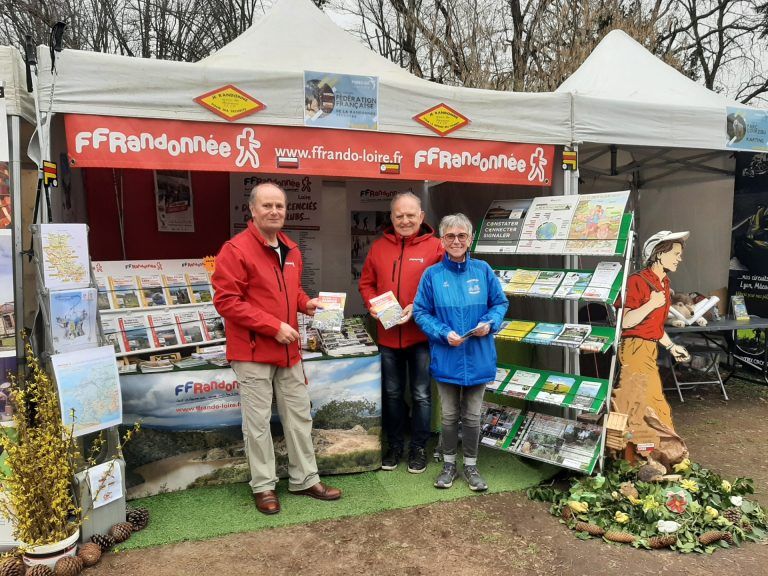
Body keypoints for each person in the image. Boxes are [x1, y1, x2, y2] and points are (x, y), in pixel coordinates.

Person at [212, 182, 341, 515]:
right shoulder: (235, 249)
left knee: (299, 417)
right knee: (256, 424)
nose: (274, 212)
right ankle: (264, 486)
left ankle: (305, 479)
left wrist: (305, 304)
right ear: (252, 210)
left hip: (288, 351)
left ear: (286, 210)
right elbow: (227, 302)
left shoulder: (291, 249)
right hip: (253, 352)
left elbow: (291, 292)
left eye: (279, 206)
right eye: (267, 206)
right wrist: (273, 327)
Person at [413, 213, 508, 491]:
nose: (456, 241)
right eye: (450, 236)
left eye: (461, 236)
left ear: (470, 239)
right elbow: (420, 311)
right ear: (442, 240)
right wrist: (444, 333)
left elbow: (500, 303)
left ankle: (471, 466)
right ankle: (448, 465)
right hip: (447, 356)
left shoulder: (483, 270)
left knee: (472, 416)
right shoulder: (432, 275)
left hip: (479, 355)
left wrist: (489, 323)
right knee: (450, 415)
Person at [359, 192, 443, 473]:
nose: (405, 220)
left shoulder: (436, 248)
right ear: (391, 217)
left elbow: (442, 288)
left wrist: (417, 305)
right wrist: (372, 304)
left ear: (421, 217)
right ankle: (394, 446)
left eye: (410, 215)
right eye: (399, 215)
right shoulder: (379, 247)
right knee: (392, 393)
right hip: (387, 337)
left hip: (420, 336)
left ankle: (418, 447)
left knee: (420, 394)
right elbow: (367, 283)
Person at [613, 230, 691, 471]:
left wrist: (671, 346)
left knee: (651, 406)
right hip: (634, 349)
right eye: (675, 254)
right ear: (658, 254)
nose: (679, 258)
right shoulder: (637, 281)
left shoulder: (665, 284)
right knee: (638, 404)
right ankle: (637, 459)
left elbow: (655, 329)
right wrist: (650, 304)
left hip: (649, 350)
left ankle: (650, 457)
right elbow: (624, 322)